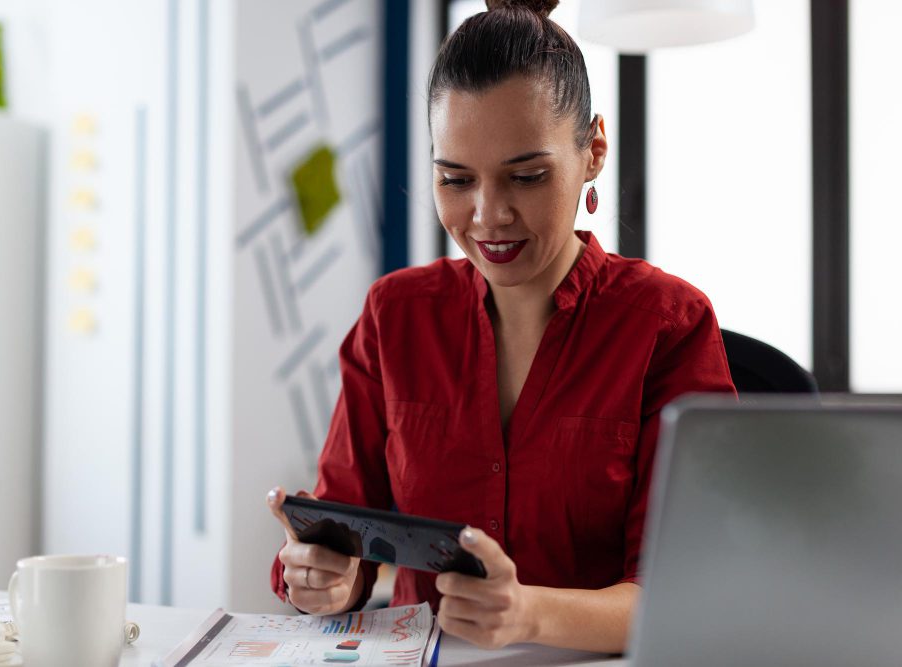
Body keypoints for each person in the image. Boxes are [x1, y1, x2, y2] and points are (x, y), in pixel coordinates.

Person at [266, 0, 735, 653]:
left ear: (594, 150)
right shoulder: (394, 316)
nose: (487, 216)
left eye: (527, 176)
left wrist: (529, 613)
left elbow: (687, 589)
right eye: (455, 178)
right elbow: (348, 535)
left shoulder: (669, 325)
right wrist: (325, 576)